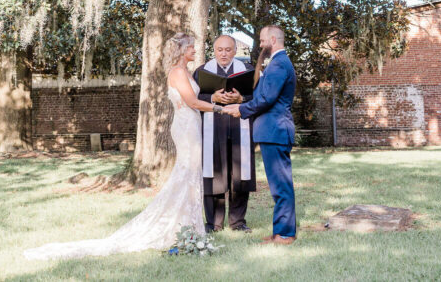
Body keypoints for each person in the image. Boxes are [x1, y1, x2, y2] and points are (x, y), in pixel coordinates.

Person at [23, 32, 232, 260]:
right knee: (186, 175)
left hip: (190, 124)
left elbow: (192, 97)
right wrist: (222, 109)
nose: (194, 50)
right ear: (182, 50)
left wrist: (214, 99)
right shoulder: (178, 72)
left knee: (190, 175)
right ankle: (182, 225)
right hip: (186, 126)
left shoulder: (184, 72)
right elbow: (191, 102)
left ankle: (187, 225)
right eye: (191, 47)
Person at [225, 24, 297, 245]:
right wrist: (242, 101)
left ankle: (284, 234)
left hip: (275, 130)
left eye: (263, 40)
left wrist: (241, 109)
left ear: (273, 40)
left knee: (281, 185)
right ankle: (280, 231)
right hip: (270, 131)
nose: (261, 44)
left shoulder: (279, 65)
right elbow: (264, 96)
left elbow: (267, 100)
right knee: (278, 186)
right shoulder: (277, 63)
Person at [193, 34, 256, 232]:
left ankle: (238, 222)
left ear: (235, 51)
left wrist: (241, 99)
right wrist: (212, 96)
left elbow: (259, 97)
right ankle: (214, 223)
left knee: (240, 176)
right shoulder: (203, 71)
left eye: (228, 49)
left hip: (240, 129)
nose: (224, 54)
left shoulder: (247, 71)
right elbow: (193, 98)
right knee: (213, 175)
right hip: (213, 130)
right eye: (220, 49)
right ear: (214, 50)